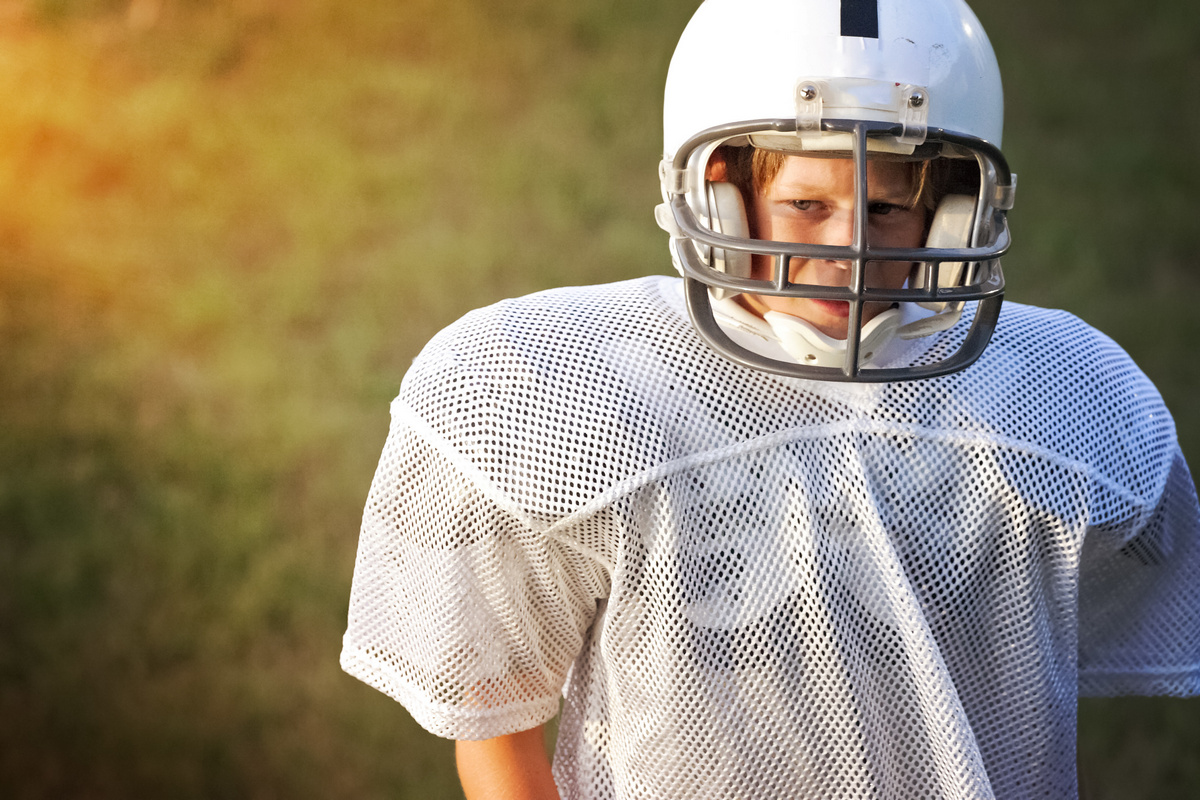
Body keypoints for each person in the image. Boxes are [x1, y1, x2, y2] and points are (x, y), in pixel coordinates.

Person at [340, 0, 1200, 797]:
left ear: (951, 212)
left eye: (887, 206)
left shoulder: (1061, 396)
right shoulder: (570, 393)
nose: (850, 243)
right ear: (718, 193)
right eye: (805, 202)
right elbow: (497, 720)